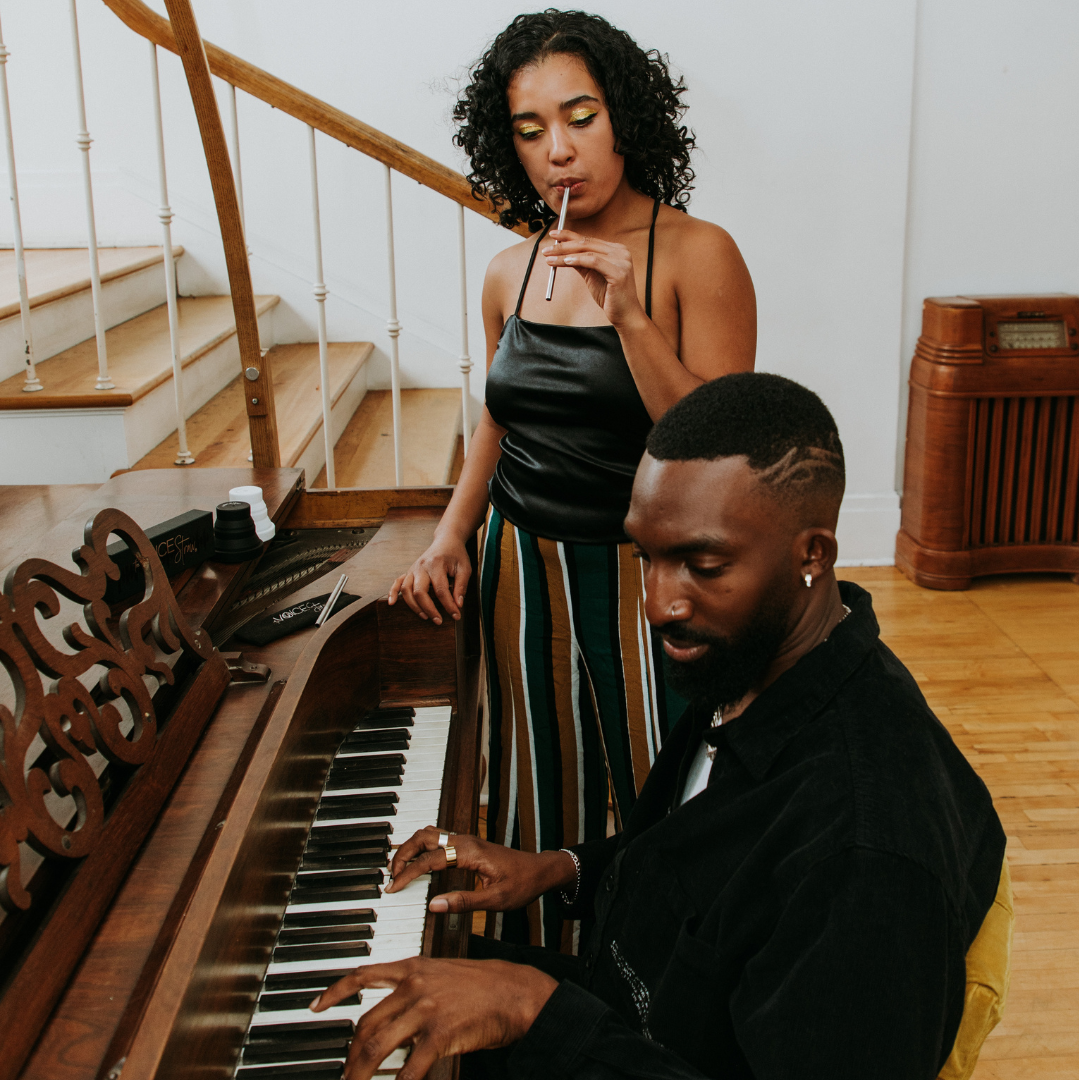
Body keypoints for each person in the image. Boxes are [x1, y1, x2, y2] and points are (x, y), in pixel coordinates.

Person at [316, 373, 1010, 1080]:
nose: (657, 604)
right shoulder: (754, 667)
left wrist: (536, 1010)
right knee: (358, 982)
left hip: (636, 1046)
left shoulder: (866, 854)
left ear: (813, 555)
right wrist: (561, 869)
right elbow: (708, 870)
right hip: (633, 1016)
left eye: (702, 566)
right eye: (646, 557)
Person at [388, 10, 756, 949]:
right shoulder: (509, 270)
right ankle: (538, 976)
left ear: (623, 117)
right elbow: (497, 422)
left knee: (658, 775)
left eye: (580, 116)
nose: (558, 151)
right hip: (522, 562)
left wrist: (629, 315)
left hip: (648, 567)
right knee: (534, 775)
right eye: (530, 129)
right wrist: (448, 536)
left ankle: (664, 974)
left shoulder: (697, 252)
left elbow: (720, 452)